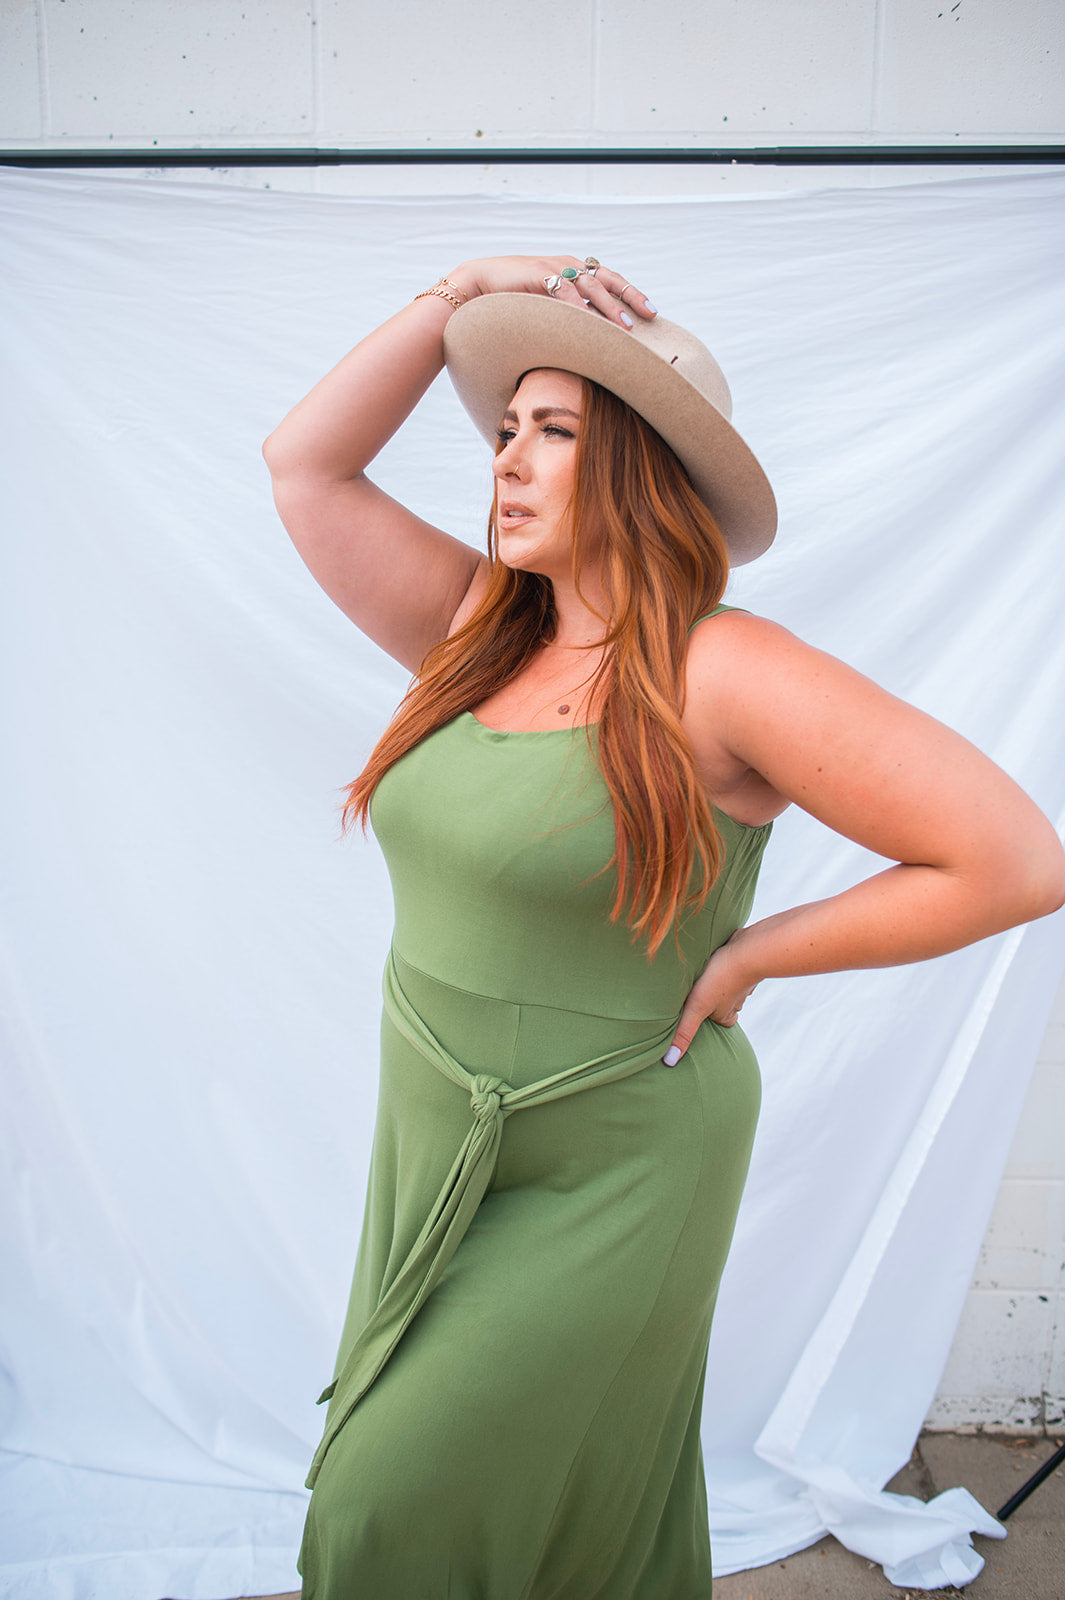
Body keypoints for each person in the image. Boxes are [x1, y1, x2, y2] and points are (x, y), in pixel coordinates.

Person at [260, 254, 1065, 1600]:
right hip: (437, 1128)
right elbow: (305, 466)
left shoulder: (723, 669)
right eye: (504, 428)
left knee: (384, 1502)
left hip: (619, 1151)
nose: (507, 460)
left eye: (555, 432)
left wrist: (753, 954)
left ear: (641, 467)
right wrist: (458, 293)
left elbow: (1015, 860)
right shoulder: (477, 630)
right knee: (471, 1499)